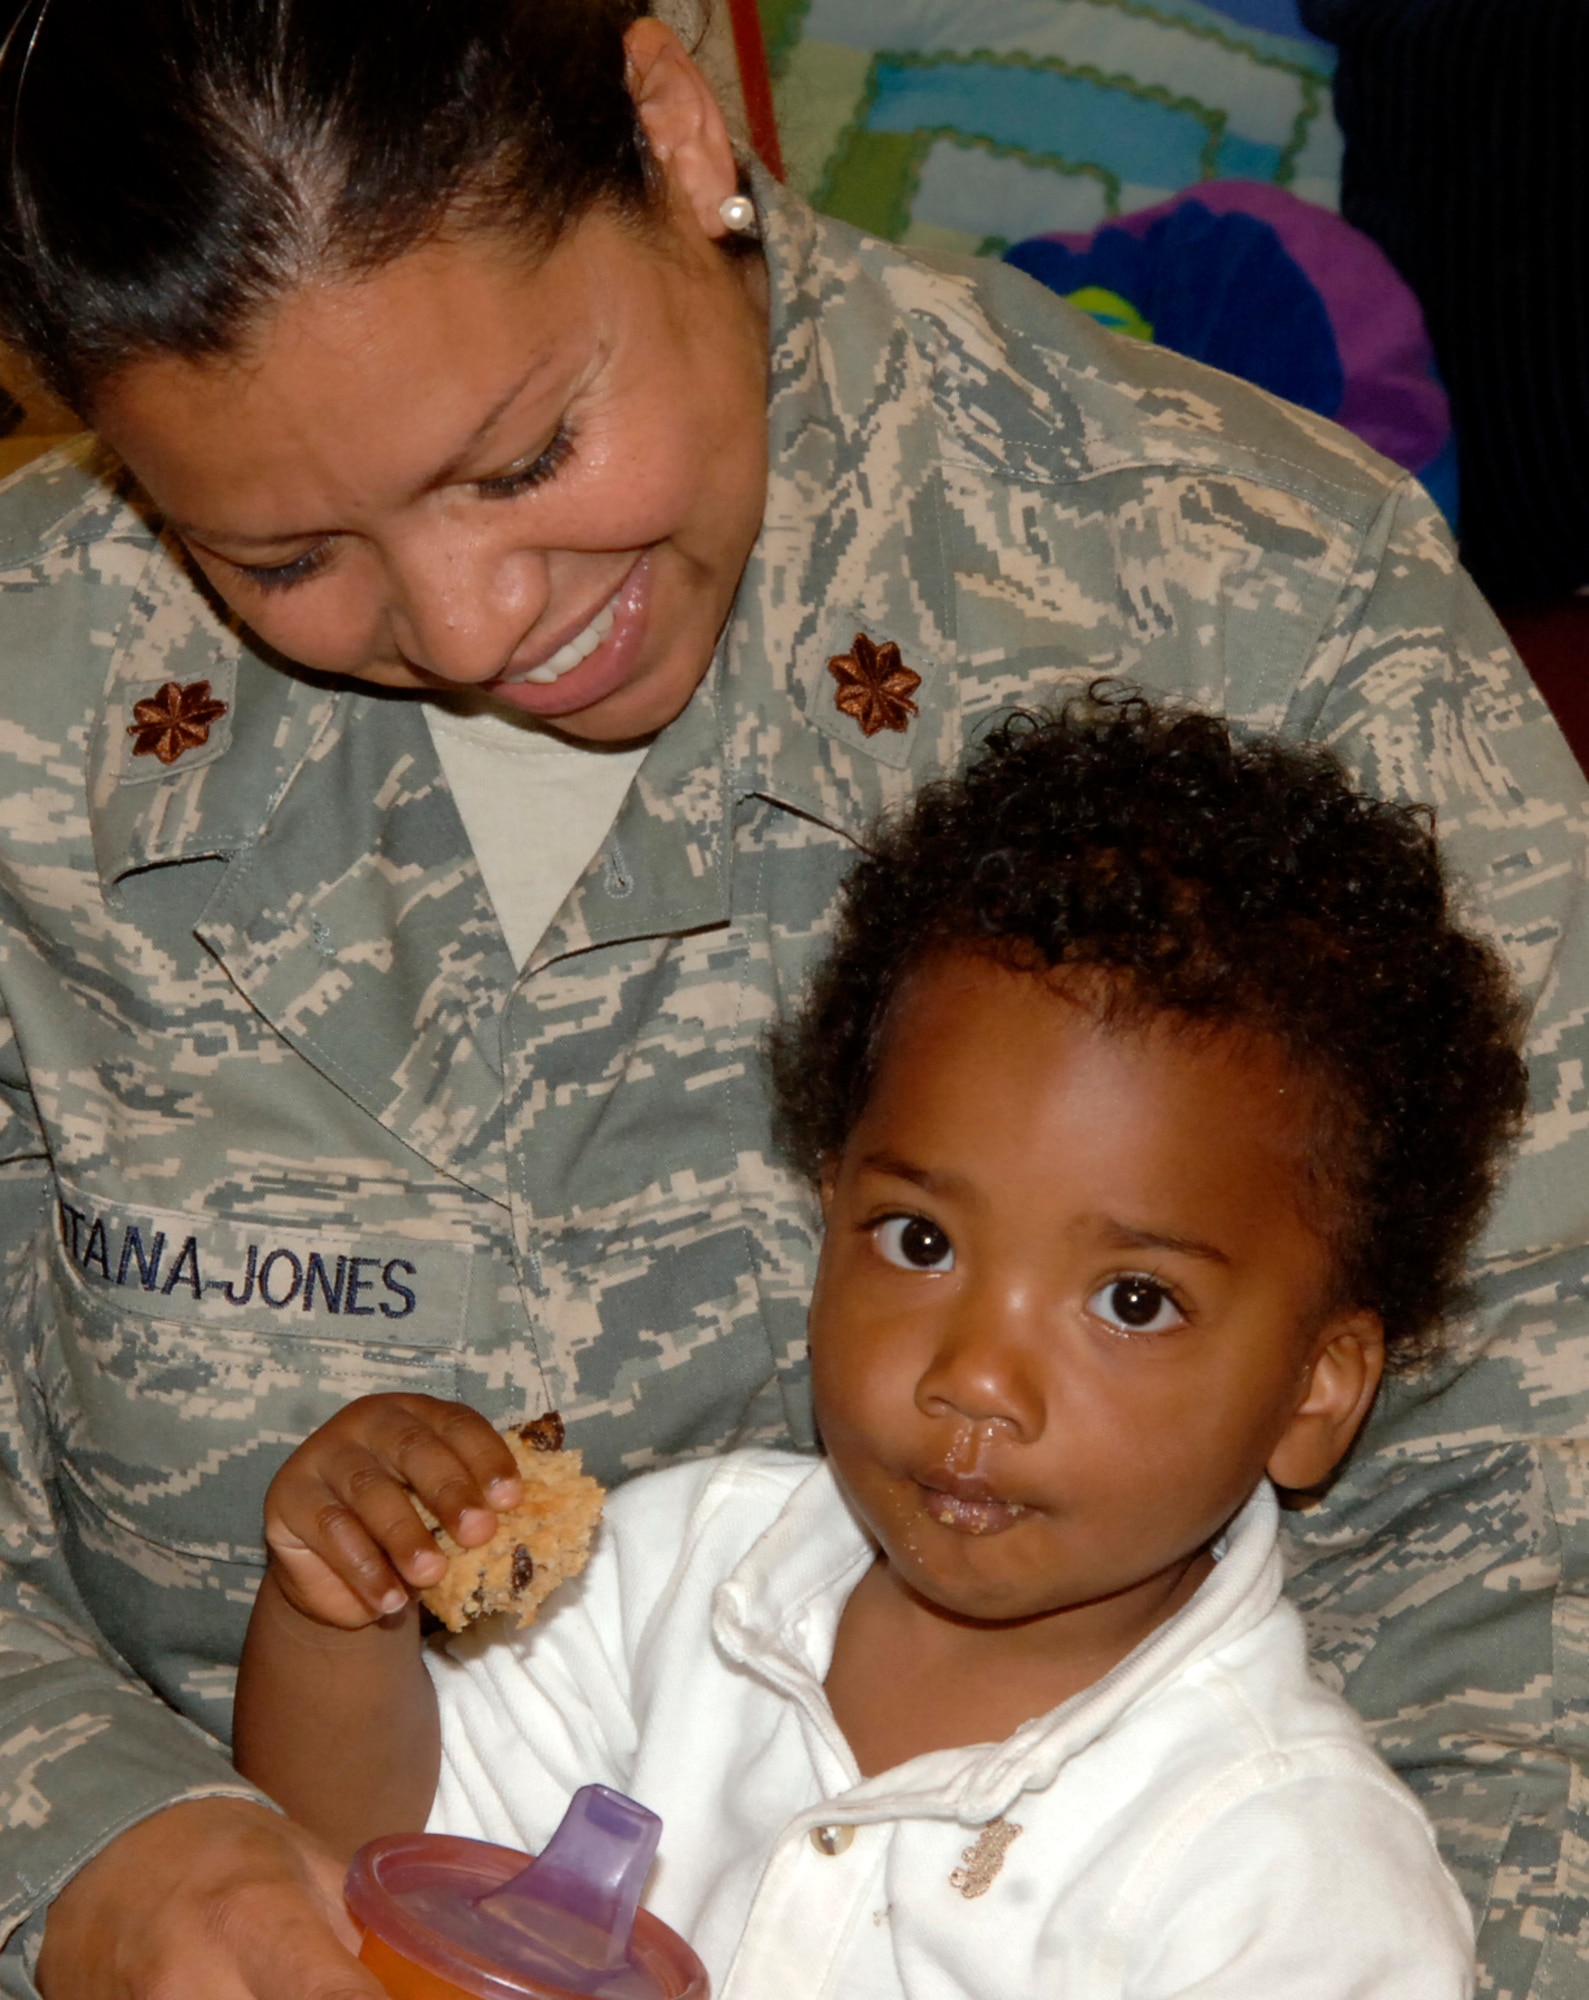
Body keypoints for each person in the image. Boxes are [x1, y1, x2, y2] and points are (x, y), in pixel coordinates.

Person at [0, 3, 1581, 1997]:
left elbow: (1530, 1600)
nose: (476, 625)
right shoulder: (30, 691)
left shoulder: (1264, 615)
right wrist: (86, 1848)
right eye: (285, 554)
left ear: (673, 126)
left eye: (528, 452)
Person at [234, 694, 1518, 1997]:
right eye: (918, 1242)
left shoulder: (1284, 1881)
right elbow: (355, 1864)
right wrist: (342, 1610)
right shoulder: (670, 1582)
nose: (973, 1377)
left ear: (1313, 1390)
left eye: (1130, 1301)